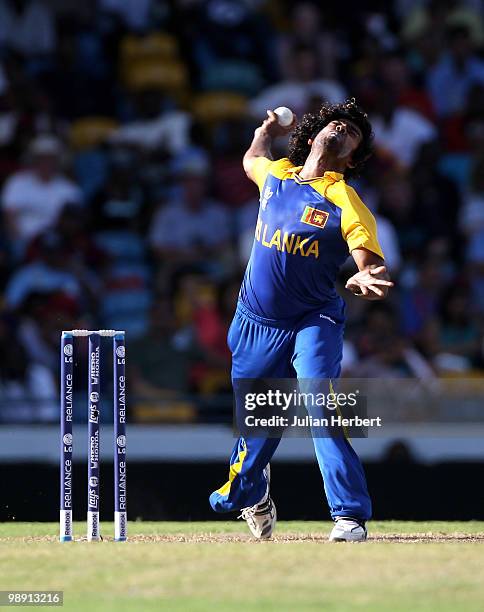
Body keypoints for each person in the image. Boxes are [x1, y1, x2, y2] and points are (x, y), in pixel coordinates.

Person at [209, 99, 393, 542]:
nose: (343, 130)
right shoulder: (276, 176)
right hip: (255, 321)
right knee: (256, 434)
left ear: (351, 156)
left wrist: (363, 274)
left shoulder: (343, 196)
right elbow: (251, 159)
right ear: (313, 136)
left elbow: (364, 252)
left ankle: (349, 516)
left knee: (320, 406)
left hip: (314, 320)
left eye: (352, 133)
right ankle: (253, 493)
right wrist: (264, 131)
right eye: (337, 123)